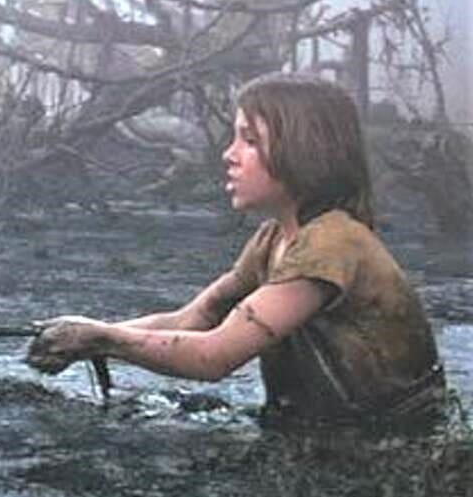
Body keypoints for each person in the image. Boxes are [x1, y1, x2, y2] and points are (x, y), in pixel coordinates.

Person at [26, 73, 446, 426]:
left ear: (304, 152)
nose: (229, 155)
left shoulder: (333, 243)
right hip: (327, 434)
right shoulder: (272, 239)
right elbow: (192, 319)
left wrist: (101, 338)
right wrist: (86, 334)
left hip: (391, 449)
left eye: (250, 140)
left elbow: (216, 356)